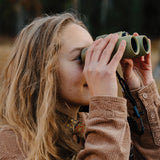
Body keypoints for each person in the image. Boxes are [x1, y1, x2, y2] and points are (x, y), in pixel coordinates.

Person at [0, 12, 159, 160]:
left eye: (95, 54)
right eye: (81, 57)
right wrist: (106, 107)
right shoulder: (11, 143)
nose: (93, 67)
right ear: (42, 70)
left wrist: (139, 93)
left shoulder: (90, 125)